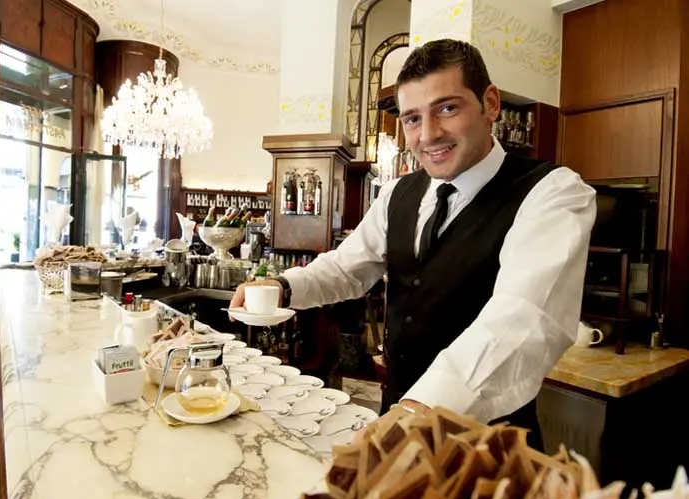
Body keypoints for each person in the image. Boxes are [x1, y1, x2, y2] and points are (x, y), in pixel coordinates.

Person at [229, 39, 596, 450]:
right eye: (412, 119)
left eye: (448, 108)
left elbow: (523, 319)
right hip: (398, 420)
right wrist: (283, 286)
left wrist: (419, 410)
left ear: (490, 103)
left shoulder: (552, 193)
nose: (428, 134)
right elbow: (347, 267)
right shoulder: (398, 193)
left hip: (487, 447)